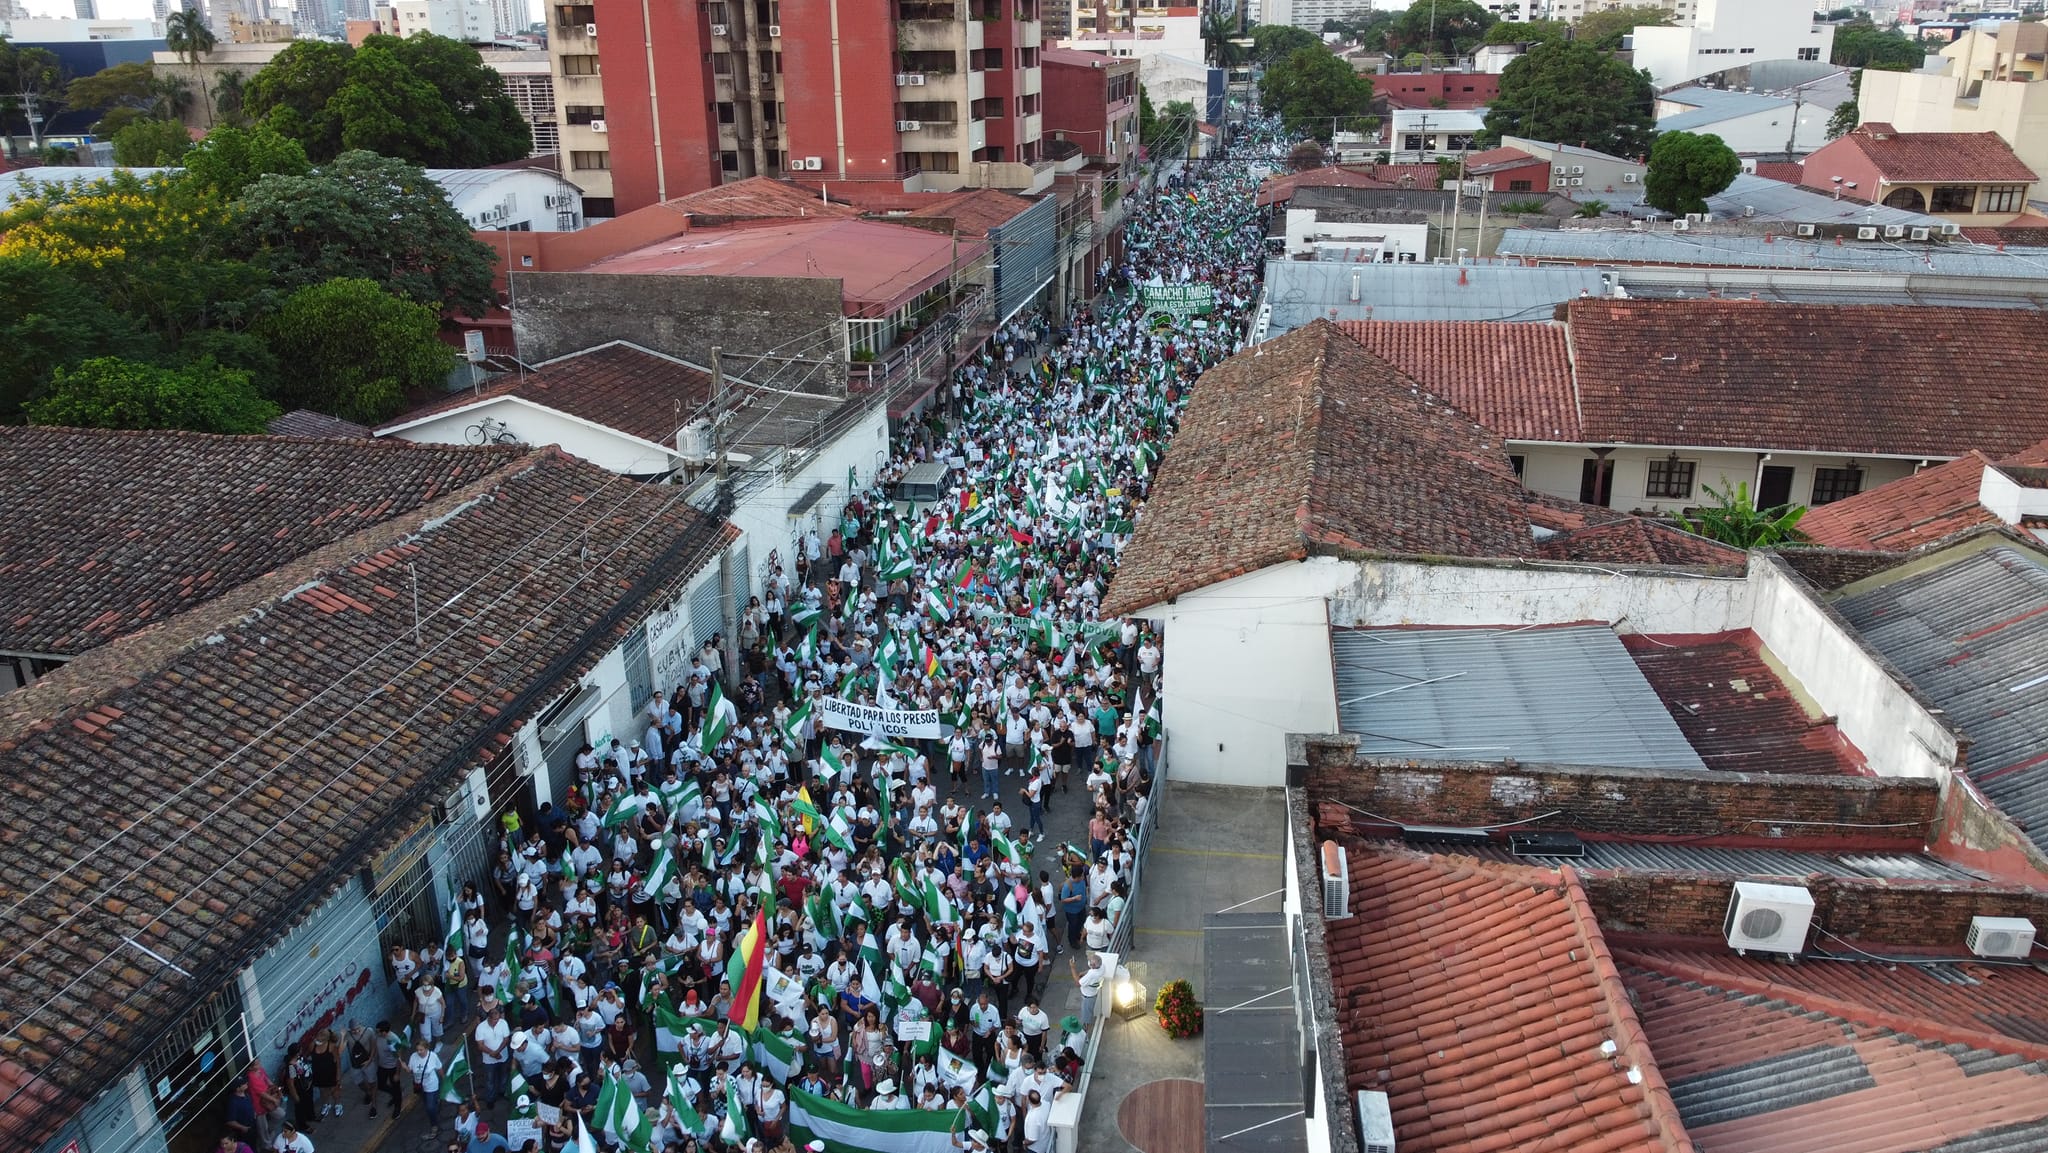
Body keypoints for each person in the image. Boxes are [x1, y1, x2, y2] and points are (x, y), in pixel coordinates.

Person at [408, 1036, 444, 1127]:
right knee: (426, 1102)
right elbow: (411, 1070)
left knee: (430, 1108)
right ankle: (435, 1103)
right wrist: (405, 1067)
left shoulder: (433, 1056)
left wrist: (444, 1078)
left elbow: (439, 1068)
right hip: (419, 1086)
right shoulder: (413, 1056)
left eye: (421, 1050)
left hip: (431, 1085)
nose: (419, 1052)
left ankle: (434, 1125)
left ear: (426, 1048)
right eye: (417, 1050)